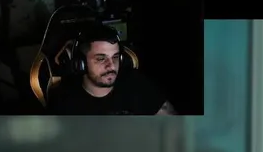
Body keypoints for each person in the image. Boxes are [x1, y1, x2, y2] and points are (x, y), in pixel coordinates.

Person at [48, 24, 176, 116]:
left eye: (115, 57)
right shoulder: (63, 102)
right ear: (81, 63)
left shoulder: (136, 83)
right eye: (101, 59)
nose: (111, 66)